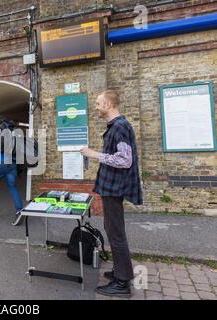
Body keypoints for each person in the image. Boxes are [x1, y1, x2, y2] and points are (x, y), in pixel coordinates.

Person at [80, 90, 143, 297]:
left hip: (115, 188)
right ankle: (120, 271)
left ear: (108, 104)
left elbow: (125, 160)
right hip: (112, 188)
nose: (96, 107)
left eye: (98, 103)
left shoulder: (120, 126)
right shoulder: (117, 126)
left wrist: (94, 154)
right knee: (112, 229)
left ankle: (122, 283)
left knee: (115, 233)